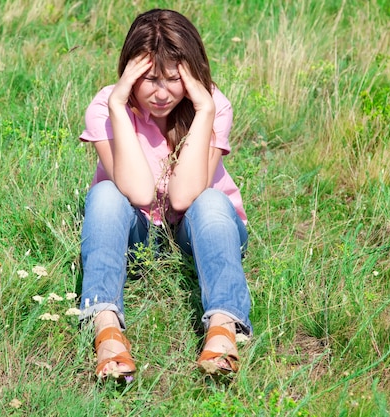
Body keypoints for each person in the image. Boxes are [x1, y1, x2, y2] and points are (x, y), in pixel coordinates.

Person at [78, 8, 252, 380]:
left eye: (173, 79)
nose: (161, 93)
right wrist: (118, 106)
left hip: (205, 233)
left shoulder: (213, 105)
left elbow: (184, 197)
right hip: (139, 236)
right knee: (106, 194)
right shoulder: (106, 107)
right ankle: (105, 326)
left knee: (210, 200)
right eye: (149, 79)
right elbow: (140, 193)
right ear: (128, 72)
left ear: (192, 73)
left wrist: (203, 107)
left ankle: (224, 327)